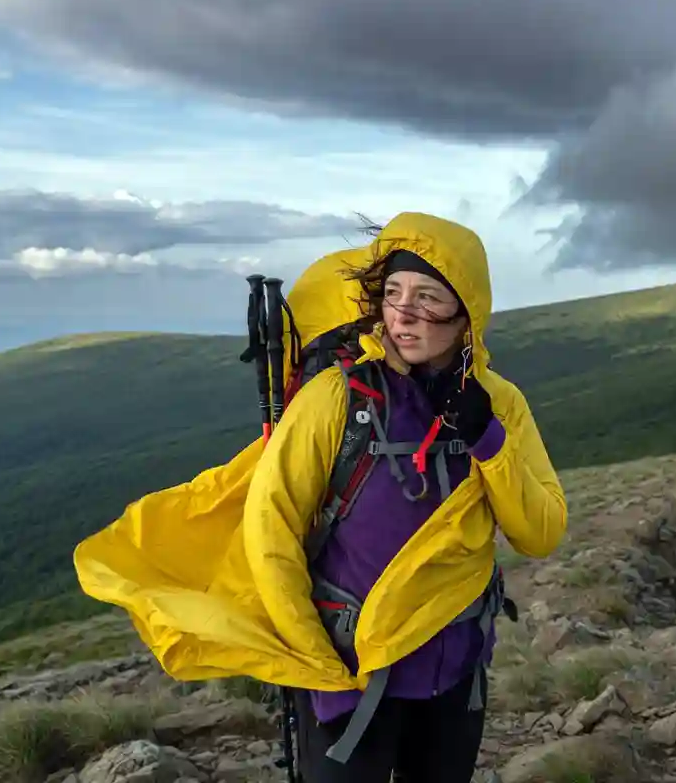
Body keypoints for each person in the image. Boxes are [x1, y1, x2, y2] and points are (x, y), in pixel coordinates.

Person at [241, 213, 568, 782]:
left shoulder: (500, 404)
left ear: (467, 311)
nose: (404, 315)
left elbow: (540, 533)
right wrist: (314, 661)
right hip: (350, 672)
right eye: (392, 293)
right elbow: (270, 528)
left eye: (428, 296)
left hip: (454, 671)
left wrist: (488, 440)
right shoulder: (335, 398)